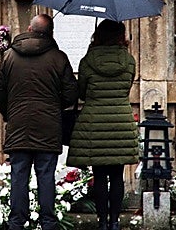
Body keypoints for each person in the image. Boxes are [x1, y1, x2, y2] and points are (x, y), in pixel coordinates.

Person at [0, 14, 78, 230]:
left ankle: (16, 223)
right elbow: (71, 94)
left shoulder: (9, 56)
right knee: (46, 176)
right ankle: (48, 222)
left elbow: (0, 93)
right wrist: (53, 107)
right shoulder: (59, 58)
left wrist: (10, 114)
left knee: (19, 176)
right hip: (48, 126)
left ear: (30, 29)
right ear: (50, 33)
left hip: (18, 125)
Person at [66, 19, 138, 230]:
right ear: (120, 36)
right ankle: (115, 222)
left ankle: (102, 222)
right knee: (117, 175)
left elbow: (81, 93)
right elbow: (126, 89)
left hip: (94, 122)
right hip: (121, 121)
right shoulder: (129, 60)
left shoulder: (88, 61)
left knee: (99, 176)